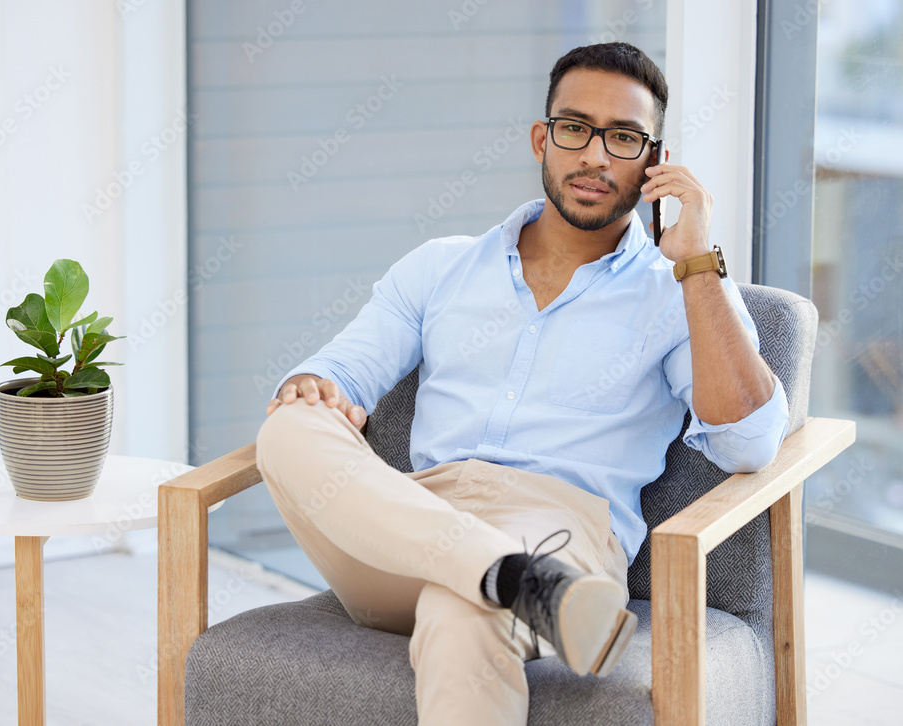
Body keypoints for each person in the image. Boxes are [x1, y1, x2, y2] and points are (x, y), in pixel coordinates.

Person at [255, 41, 789, 726]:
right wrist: (313, 383)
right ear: (543, 138)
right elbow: (341, 370)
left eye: (623, 138)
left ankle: (511, 579)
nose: (596, 156)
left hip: (559, 526)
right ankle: (516, 578)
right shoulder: (441, 266)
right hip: (398, 535)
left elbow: (749, 442)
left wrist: (698, 266)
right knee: (289, 425)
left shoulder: (677, 291)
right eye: (575, 128)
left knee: (466, 607)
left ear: (653, 162)